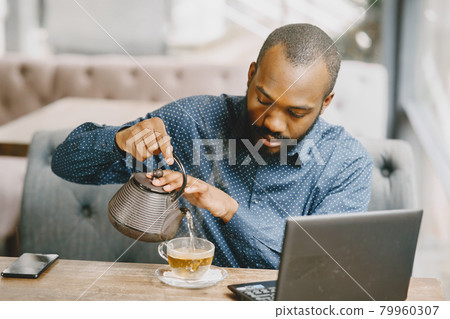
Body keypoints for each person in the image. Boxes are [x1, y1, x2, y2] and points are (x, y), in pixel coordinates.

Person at [51, 23, 373, 269]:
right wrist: (121, 141)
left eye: (296, 112)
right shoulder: (194, 121)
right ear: (250, 76)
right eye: (263, 100)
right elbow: (64, 163)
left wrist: (225, 206)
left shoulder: (346, 162)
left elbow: (317, 271)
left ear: (326, 102)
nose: (274, 123)